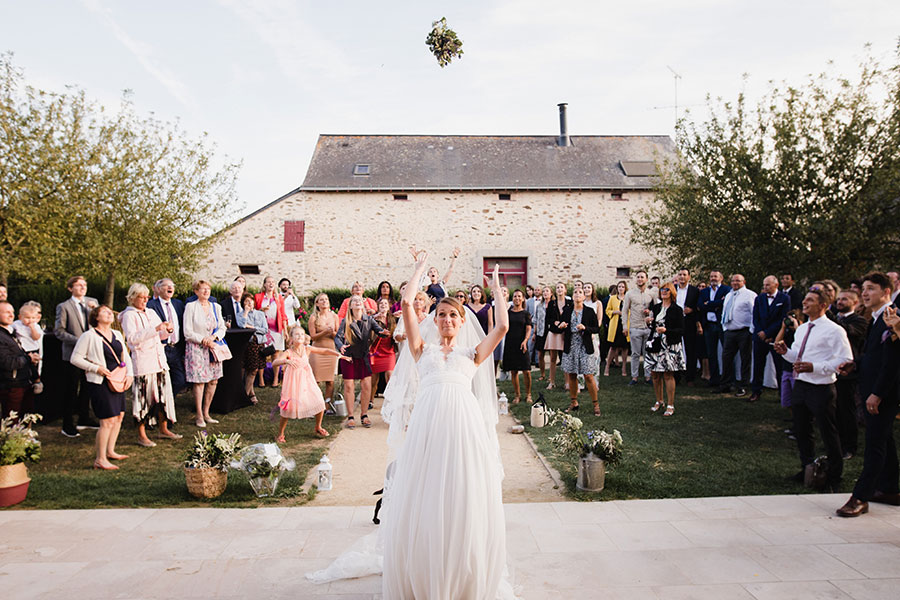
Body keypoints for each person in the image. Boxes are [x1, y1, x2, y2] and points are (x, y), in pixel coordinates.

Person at [380, 251, 510, 598]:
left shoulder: (474, 354)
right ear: (434, 321)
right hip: (428, 427)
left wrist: (497, 289)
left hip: (464, 428)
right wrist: (421, 269)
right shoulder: (422, 349)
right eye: (442, 315)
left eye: (454, 315)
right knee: (427, 488)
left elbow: (502, 326)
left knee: (462, 488)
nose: (448, 319)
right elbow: (407, 305)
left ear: (462, 320)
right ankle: (426, 568)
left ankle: (461, 570)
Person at [774, 288, 853, 492]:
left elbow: (845, 359)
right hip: (801, 385)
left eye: (810, 300)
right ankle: (807, 468)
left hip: (821, 387)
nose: (805, 303)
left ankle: (834, 474)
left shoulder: (834, 330)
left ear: (823, 305)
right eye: (805, 300)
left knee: (828, 431)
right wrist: (786, 353)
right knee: (802, 430)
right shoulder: (801, 329)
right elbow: (798, 358)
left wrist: (815, 367)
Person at [836, 273, 900, 517]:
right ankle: (890, 489)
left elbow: (893, 363)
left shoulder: (892, 317)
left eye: (871, 289)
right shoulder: (876, 318)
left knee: (875, 443)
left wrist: (877, 394)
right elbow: (875, 357)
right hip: (872, 387)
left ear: (886, 291)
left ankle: (860, 497)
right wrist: (856, 365)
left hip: (883, 393)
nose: (864, 293)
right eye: (863, 288)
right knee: (885, 440)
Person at [70, 305, 133, 470]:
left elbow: (125, 355)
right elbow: (75, 358)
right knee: (107, 420)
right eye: (104, 311)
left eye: (110, 312)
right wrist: (96, 368)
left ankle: (111, 450)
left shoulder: (117, 334)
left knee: (119, 416)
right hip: (100, 382)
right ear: (96, 317)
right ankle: (100, 458)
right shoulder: (88, 336)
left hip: (118, 379)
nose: (109, 314)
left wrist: (130, 374)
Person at [118, 283, 179, 448]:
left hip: (159, 360)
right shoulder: (128, 315)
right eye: (141, 297)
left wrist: (168, 329)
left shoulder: (151, 312)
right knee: (143, 398)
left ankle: (163, 428)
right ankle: (141, 433)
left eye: (146, 297)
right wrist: (155, 329)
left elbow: (160, 334)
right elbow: (132, 339)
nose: (145, 300)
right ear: (133, 298)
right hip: (143, 362)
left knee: (163, 395)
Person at [274, 325, 347, 442]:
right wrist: (286, 360)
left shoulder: (307, 349)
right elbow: (274, 362)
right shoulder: (288, 352)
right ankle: (281, 434)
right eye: (297, 334)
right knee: (288, 408)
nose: (300, 336)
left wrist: (337, 354)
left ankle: (318, 426)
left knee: (319, 401)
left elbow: (323, 351)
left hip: (307, 380)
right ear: (291, 338)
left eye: (302, 334)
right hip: (293, 383)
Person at [54, 275, 100, 436]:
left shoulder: (92, 302)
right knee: (71, 389)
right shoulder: (64, 306)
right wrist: (81, 341)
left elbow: (100, 323)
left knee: (88, 388)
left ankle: (84, 418)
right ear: (70, 288)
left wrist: (95, 310)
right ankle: (67, 424)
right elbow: (59, 331)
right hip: (72, 354)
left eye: (84, 284)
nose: (82, 287)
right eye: (79, 285)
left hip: (91, 355)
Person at [336, 295, 387, 429]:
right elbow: (337, 338)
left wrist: (384, 332)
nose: (358, 302)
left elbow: (379, 331)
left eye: (360, 301)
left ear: (363, 306)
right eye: (354, 301)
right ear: (351, 306)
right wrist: (340, 346)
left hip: (364, 356)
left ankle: (364, 415)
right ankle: (351, 416)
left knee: (366, 385)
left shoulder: (369, 319)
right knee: (349, 386)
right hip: (349, 357)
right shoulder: (345, 321)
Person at [183, 280, 226, 427]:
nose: (206, 292)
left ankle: (207, 412)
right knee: (200, 381)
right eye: (202, 289)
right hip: (197, 348)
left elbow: (222, 327)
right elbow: (187, 332)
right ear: (196, 291)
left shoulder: (216, 307)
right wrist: (203, 340)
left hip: (213, 347)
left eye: (208, 289)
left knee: (213, 380)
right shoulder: (191, 307)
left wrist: (213, 338)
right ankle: (199, 415)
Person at [833, 290, 867, 459]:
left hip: (848, 371)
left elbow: (850, 333)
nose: (840, 302)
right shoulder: (834, 319)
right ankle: (836, 443)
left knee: (847, 409)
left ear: (854, 302)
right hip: (832, 369)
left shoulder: (859, 321)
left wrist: (830, 320)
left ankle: (850, 446)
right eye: (838, 299)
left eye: (844, 299)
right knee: (834, 409)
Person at [748, 275, 792, 403]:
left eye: (768, 285)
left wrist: (768, 333)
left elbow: (782, 319)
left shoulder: (784, 299)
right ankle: (756, 391)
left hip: (776, 337)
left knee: (779, 365)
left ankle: (782, 393)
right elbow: (755, 317)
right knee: (758, 365)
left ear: (776, 285)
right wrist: (761, 332)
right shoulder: (759, 298)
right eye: (764, 285)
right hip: (760, 337)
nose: (765, 287)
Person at [646, 282, 686, 416]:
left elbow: (681, 330)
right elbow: (653, 327)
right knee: (655, 374)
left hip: (669, 344)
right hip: (656, 343)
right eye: (662, 289)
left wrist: (667, 330)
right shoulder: (656, 308)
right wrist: (649, 323)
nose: (664, 291)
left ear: (672, 292)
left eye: (667, 290)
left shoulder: (677, 309)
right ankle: (659, 401)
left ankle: (670, 404)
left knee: (668, 374)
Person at [561, 288, 601, 415]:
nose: (577, 295)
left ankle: (595, 404)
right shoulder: (567, 311)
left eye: (580, 293)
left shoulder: (589, 311)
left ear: (584, 297)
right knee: (572, 374)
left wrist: (585, 328)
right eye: (575, 293)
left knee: (588, 375)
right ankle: (574, 402)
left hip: (585, 346)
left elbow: (596, 329)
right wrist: (561, 326)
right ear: (572, 296)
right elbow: (561, 325)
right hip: (571, 345)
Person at [717, 274, 757, 397]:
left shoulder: (750, 295)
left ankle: (743, 386)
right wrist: (724, 328)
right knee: (726, 358)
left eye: (738, 281)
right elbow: (725, 311)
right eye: (733, 281)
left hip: (744, 331)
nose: (735, 283)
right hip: (729, 331)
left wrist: (751, 330)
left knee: (745, 359)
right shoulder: (729, 295)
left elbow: (754, 313)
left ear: (744, 282)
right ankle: (725, 385)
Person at [147, 279, 187, 395]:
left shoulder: (178, 304)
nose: (170, 288)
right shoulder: (151, 305)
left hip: (176, 348)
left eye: (172, 286)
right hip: (160, 347)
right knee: (159, 379)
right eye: (167, 286)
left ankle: (168, 401)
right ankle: (159, 405)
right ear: (159, 289)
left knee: (179, 380)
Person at [1, 301, 39, 420]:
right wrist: (28, 358)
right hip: (12, 385)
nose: (11, 315)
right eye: (7, 312)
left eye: (12, 312)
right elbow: (8, 363)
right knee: (12, 421)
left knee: (26, 416)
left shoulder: (10, 333)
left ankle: (25, 438)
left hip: (24, 381)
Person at [623, 271, 657, 386]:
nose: (640, 279)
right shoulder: (630, 293)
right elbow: (625, 311)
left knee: (647, 353)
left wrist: (650, 314)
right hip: (635, 326)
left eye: (642, 277)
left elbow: (656, 309)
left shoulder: (651, 293)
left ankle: (648, 377)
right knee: (635, 354)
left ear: (646, 279)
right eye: (638, 277)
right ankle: (634, 377)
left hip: (648, 327)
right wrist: (625, 326)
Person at [255, 276, 289, 386]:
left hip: (276, 329)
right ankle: (261, 379)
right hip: (263, 329)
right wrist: (261, 310)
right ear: (264, 284)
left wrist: (286, 331)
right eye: (268, 282)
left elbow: (283, 314)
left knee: (275, 354)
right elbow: (253, 312)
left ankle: (275, 379)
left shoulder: (278, 297)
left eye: (273, 282)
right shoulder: (258, 297)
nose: (271, 284)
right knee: (262, 354)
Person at [307, 293, 341, 405]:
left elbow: (338, 335)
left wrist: (332, 333)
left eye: (326, 299)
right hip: (317, 350)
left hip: (330, 350)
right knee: (316, 380)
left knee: (330, 380)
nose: (324, 301)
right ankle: (316, 403)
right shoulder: (313, 317)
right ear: (317, 303)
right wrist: (324, 332)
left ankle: (327, 405)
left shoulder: (334, 316)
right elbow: (312, 336)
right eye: (321, 300)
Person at [698, 270, 728, 387]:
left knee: (726, 353)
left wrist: (709, 304)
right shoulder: (704, 291)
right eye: (711, 277)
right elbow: (700, 305)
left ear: (721, 278)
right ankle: (714, 379)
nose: (713, 278)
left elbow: (724, 304)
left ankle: (726, 379)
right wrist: (716, 304)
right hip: (709, 326)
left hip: (721, 325)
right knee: (711, 353)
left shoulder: (726, 290)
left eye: (715, 276)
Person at [237, 293, 268, 401]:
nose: (249, 303)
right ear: (243, 304)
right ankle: (247, 394)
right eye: (246, 301)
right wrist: (245, 312)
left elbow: (265, 330)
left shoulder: (260, 314)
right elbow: (241, 326)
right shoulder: (240, 314)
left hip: (258, 344)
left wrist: (252, 328)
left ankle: (247, 393)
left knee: (254, 369)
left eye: (251, 301)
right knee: (246, 368)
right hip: (246, 344)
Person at [503, 289, 533, 403]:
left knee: (527, 370)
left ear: (523, 298)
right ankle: (517, 395)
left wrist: (525, 340)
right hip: (510, 343)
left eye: (519, 296)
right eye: (515, 296)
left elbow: (528, 328)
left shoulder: (526, 313)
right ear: (512, 298)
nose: (517, 298)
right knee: (514, 371)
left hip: (522, 344)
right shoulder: (508, 312)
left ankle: (528, 394)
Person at [369, 298, 398, 409]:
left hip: (389, 351)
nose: (383, 305)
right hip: (376, 351)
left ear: (389, 306)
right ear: (377, 306)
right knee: (373, 380)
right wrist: (375, 320)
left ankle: (390, 402)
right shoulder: (373, 318)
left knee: (390, 377)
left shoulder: (392, 318)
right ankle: (370, 400)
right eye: (381, 303)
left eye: (385, 303)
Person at [544, 282, 572, 390]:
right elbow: (548, 319)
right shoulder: (552, 303)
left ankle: (567, 382)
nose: (559, 289)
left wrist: (565, 323)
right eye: (557, 288)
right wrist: (554, 322)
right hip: (554, 332)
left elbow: (572, 317)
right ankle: (551, 382)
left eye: (561, 287)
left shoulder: (570, 303)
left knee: (565, 357)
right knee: (552, 358)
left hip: (565, 332)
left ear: (565, 290)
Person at [674, 268, 700, 384]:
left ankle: (690, 377)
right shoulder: (673, 289)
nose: (682, 277)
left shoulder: (694, 291)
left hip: (689, 322)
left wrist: (692, 310)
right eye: (680, 275)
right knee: (675, 350)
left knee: (691, 350)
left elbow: (698, 307)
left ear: (688, 277)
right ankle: (676, 376)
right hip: (675, 323)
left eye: (684, 275)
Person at [12, 302, 43, 396]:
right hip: (22, 350)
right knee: (24, 367)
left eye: (33, 318)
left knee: (34, 367)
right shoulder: (16, 325)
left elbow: (36, 337)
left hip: (33, 349)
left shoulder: (36, 326)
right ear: (20, 317)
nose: (30, 320)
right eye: (27, 318)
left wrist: (32, 328)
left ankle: (37, 381)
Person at [420, 246, 461, 310]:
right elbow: (421, 272)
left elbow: (450, 270)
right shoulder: (427, 285)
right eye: (430, 272)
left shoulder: (441, 284)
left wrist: (455, 257)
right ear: (428, 275)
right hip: (432, 309)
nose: (432, 272)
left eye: (434, 271)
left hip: (443, 307)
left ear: (437, 275)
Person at [604, 281, 630, 377]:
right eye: (619, 286)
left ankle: (623, 367)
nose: (621, 288)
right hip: (615, 325)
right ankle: (607, 366)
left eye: (623, 287)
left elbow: (631, 310)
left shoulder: (628, 299)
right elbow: (607, 310)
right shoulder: (613, 298)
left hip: (625, 325)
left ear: (625, 288)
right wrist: (615, 312)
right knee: (613, 347)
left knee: (625, 347)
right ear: (617, 288)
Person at [533, 285, 550, 378]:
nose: (545, 293)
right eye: (543, 291)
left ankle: (551, 376)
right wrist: (534, 333)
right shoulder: (539, 306)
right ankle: (542, 374)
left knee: (552, 356)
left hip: (551, 332)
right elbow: (535, 320)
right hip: (540, 332)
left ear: (551, 293)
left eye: (547, 291)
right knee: (540, 355)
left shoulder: (554, 305)